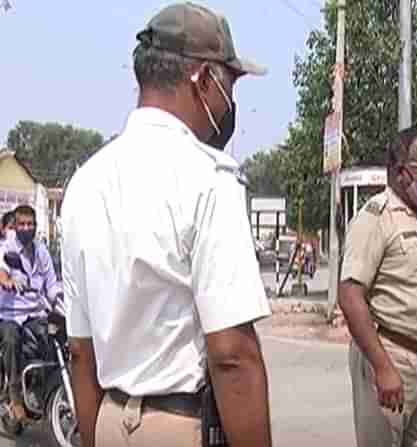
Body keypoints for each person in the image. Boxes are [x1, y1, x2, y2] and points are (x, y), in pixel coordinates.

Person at [60, 3, 272, 447]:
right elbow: (232, 354)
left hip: (109, 420)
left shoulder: (85, 183)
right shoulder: (210, 179)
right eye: (229, 84)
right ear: (202, 78)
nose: (231, 103)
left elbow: (81, 350)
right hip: (180, 427)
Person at [338, 125, 417, 447]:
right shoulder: (376, 217)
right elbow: (350, 295)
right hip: (392, 357)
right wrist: (382, 367)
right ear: (398, 171)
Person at [0, 205, 61, 423]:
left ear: (35, 227)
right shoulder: (7, 248)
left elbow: (51, 284)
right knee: (11, 338)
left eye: (31, 224)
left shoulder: (42, 250)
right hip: (11, 313)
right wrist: (8, 281)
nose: (27, 228)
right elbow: (1, 270)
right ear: (15, 226)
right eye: (22, 224)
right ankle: (15, 398)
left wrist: (61, 298)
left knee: (52, 338)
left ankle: (41, 391)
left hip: (35, 312)